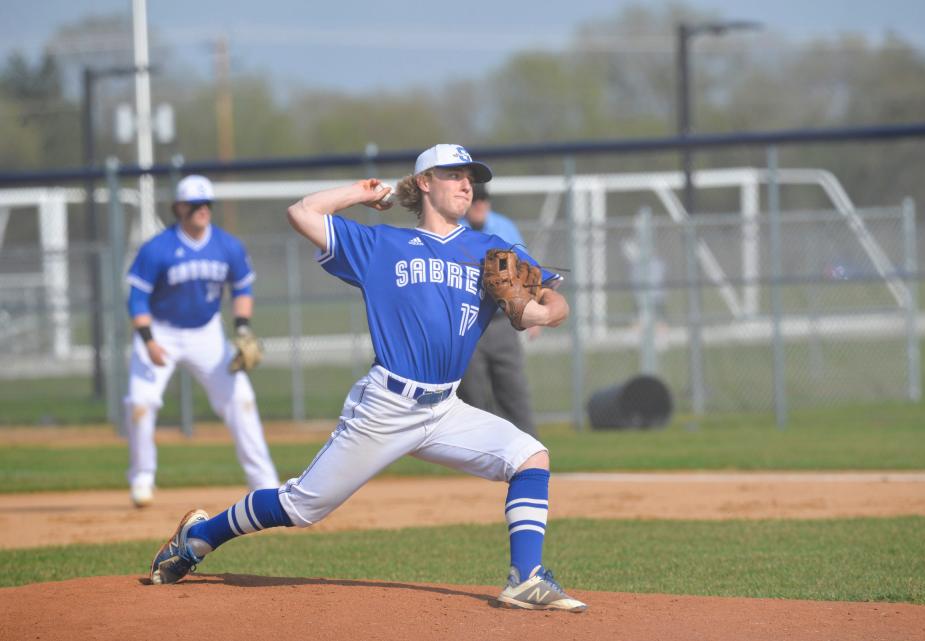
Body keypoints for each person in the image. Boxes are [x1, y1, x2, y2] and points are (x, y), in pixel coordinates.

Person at [148, 145, 587, 612]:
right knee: (302, 506)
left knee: (529, 457)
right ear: (424, 182)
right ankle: (196, 539)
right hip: (387, 405)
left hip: (445, 408)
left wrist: (532, 308)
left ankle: (525, 578)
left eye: (471, 178)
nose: (466, 185)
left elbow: (551, 303)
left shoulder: (490, 251)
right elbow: (302, 212)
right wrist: (361, 193)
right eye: (454, 175)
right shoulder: (382, 246)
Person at [124, 175, 280, 508]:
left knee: (241, 400)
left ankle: (264, 483)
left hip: (206, 332)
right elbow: (136, 300)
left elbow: (242, 288)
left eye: (207, 204)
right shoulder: (157, 249)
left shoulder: (227, 246)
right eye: (194, 205)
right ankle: (142, 478)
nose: (202, 210)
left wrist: (241, 330)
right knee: (140, 403)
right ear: (179, 208)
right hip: (161, 331)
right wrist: (148, 340)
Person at [457, 183, 538, 436]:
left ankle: (528, 449)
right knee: (472, 394)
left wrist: (532, 313)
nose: (479, 204)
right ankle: (479, 452)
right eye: (475, 199)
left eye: (484, 199)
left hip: (502, 321)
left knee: (513, 389)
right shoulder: (454, 229)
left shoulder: (503, 227)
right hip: (467, 323)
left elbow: (528, 270)